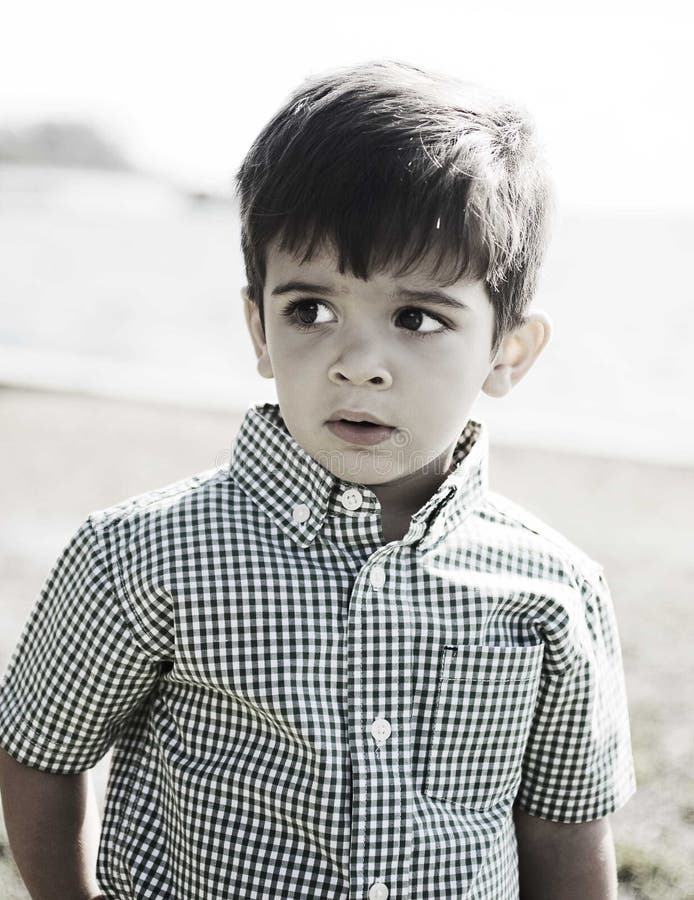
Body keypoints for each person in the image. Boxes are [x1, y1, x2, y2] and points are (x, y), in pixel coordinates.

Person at [0, 60, 636, 899]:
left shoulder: (554, 590)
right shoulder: (141, 556)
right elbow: (40, 755)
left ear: (507, 351)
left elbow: (565, 827)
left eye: (417, 319)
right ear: (259, 327)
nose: (357, 365)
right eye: (312, 311)